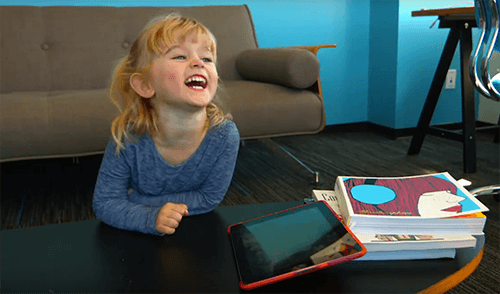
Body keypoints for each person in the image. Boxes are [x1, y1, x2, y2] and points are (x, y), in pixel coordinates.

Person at [93, 14, 240, 236]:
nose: (198, 62)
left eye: (207, 59)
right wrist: (151, 217)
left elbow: (209, 198)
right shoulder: (128, 136)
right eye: (180, 56)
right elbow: (105, 203)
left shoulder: (224, 135)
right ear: (144, 85)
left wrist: (135, 200)